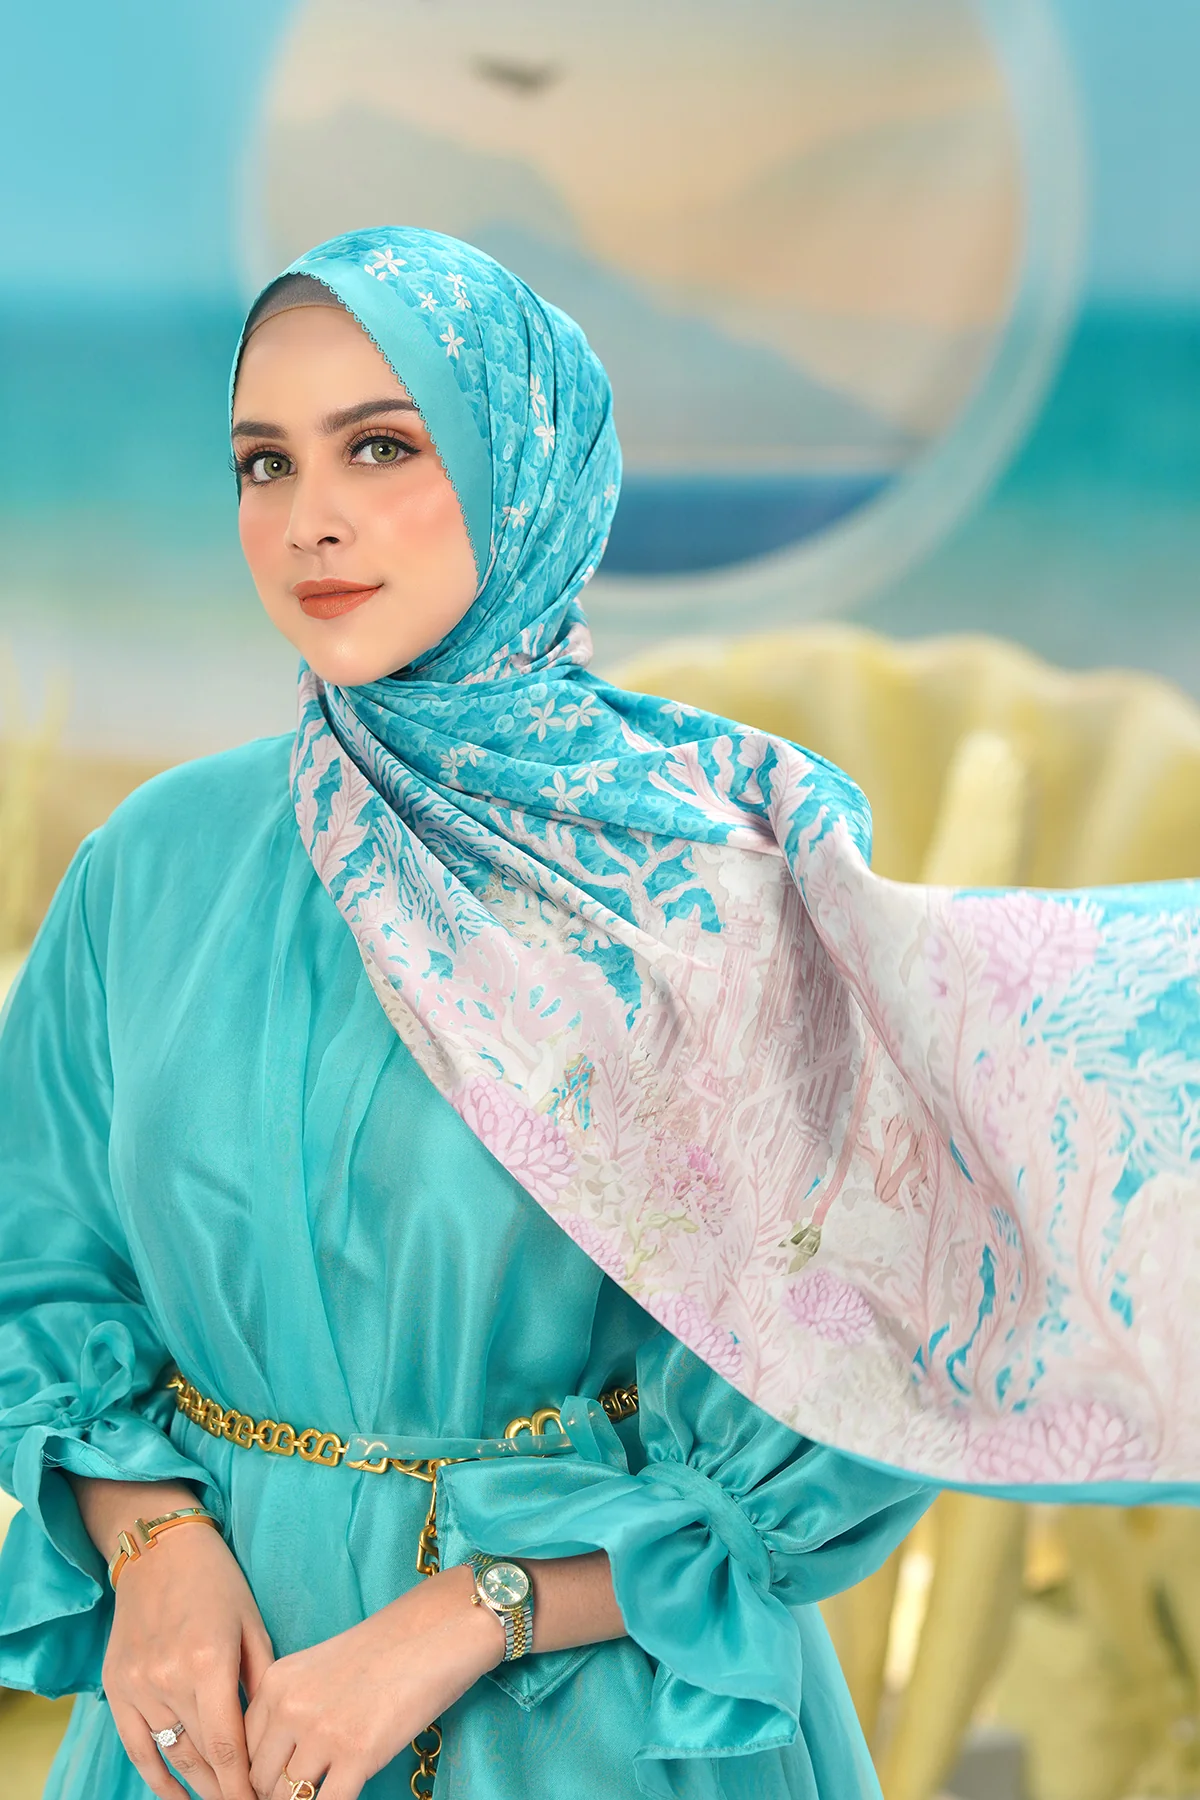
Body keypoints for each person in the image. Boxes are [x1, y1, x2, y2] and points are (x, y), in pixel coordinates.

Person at [0, 227, 1195, 1800]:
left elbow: (843, 1391)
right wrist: (150, 1544)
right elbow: (43, 1258)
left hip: (597, 1725)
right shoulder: (154, 865)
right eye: (264, 463)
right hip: (209, 1727)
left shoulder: (691, 881)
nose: (309, 519)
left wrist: (465, 1615)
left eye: (381, 447)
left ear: (525, 466)